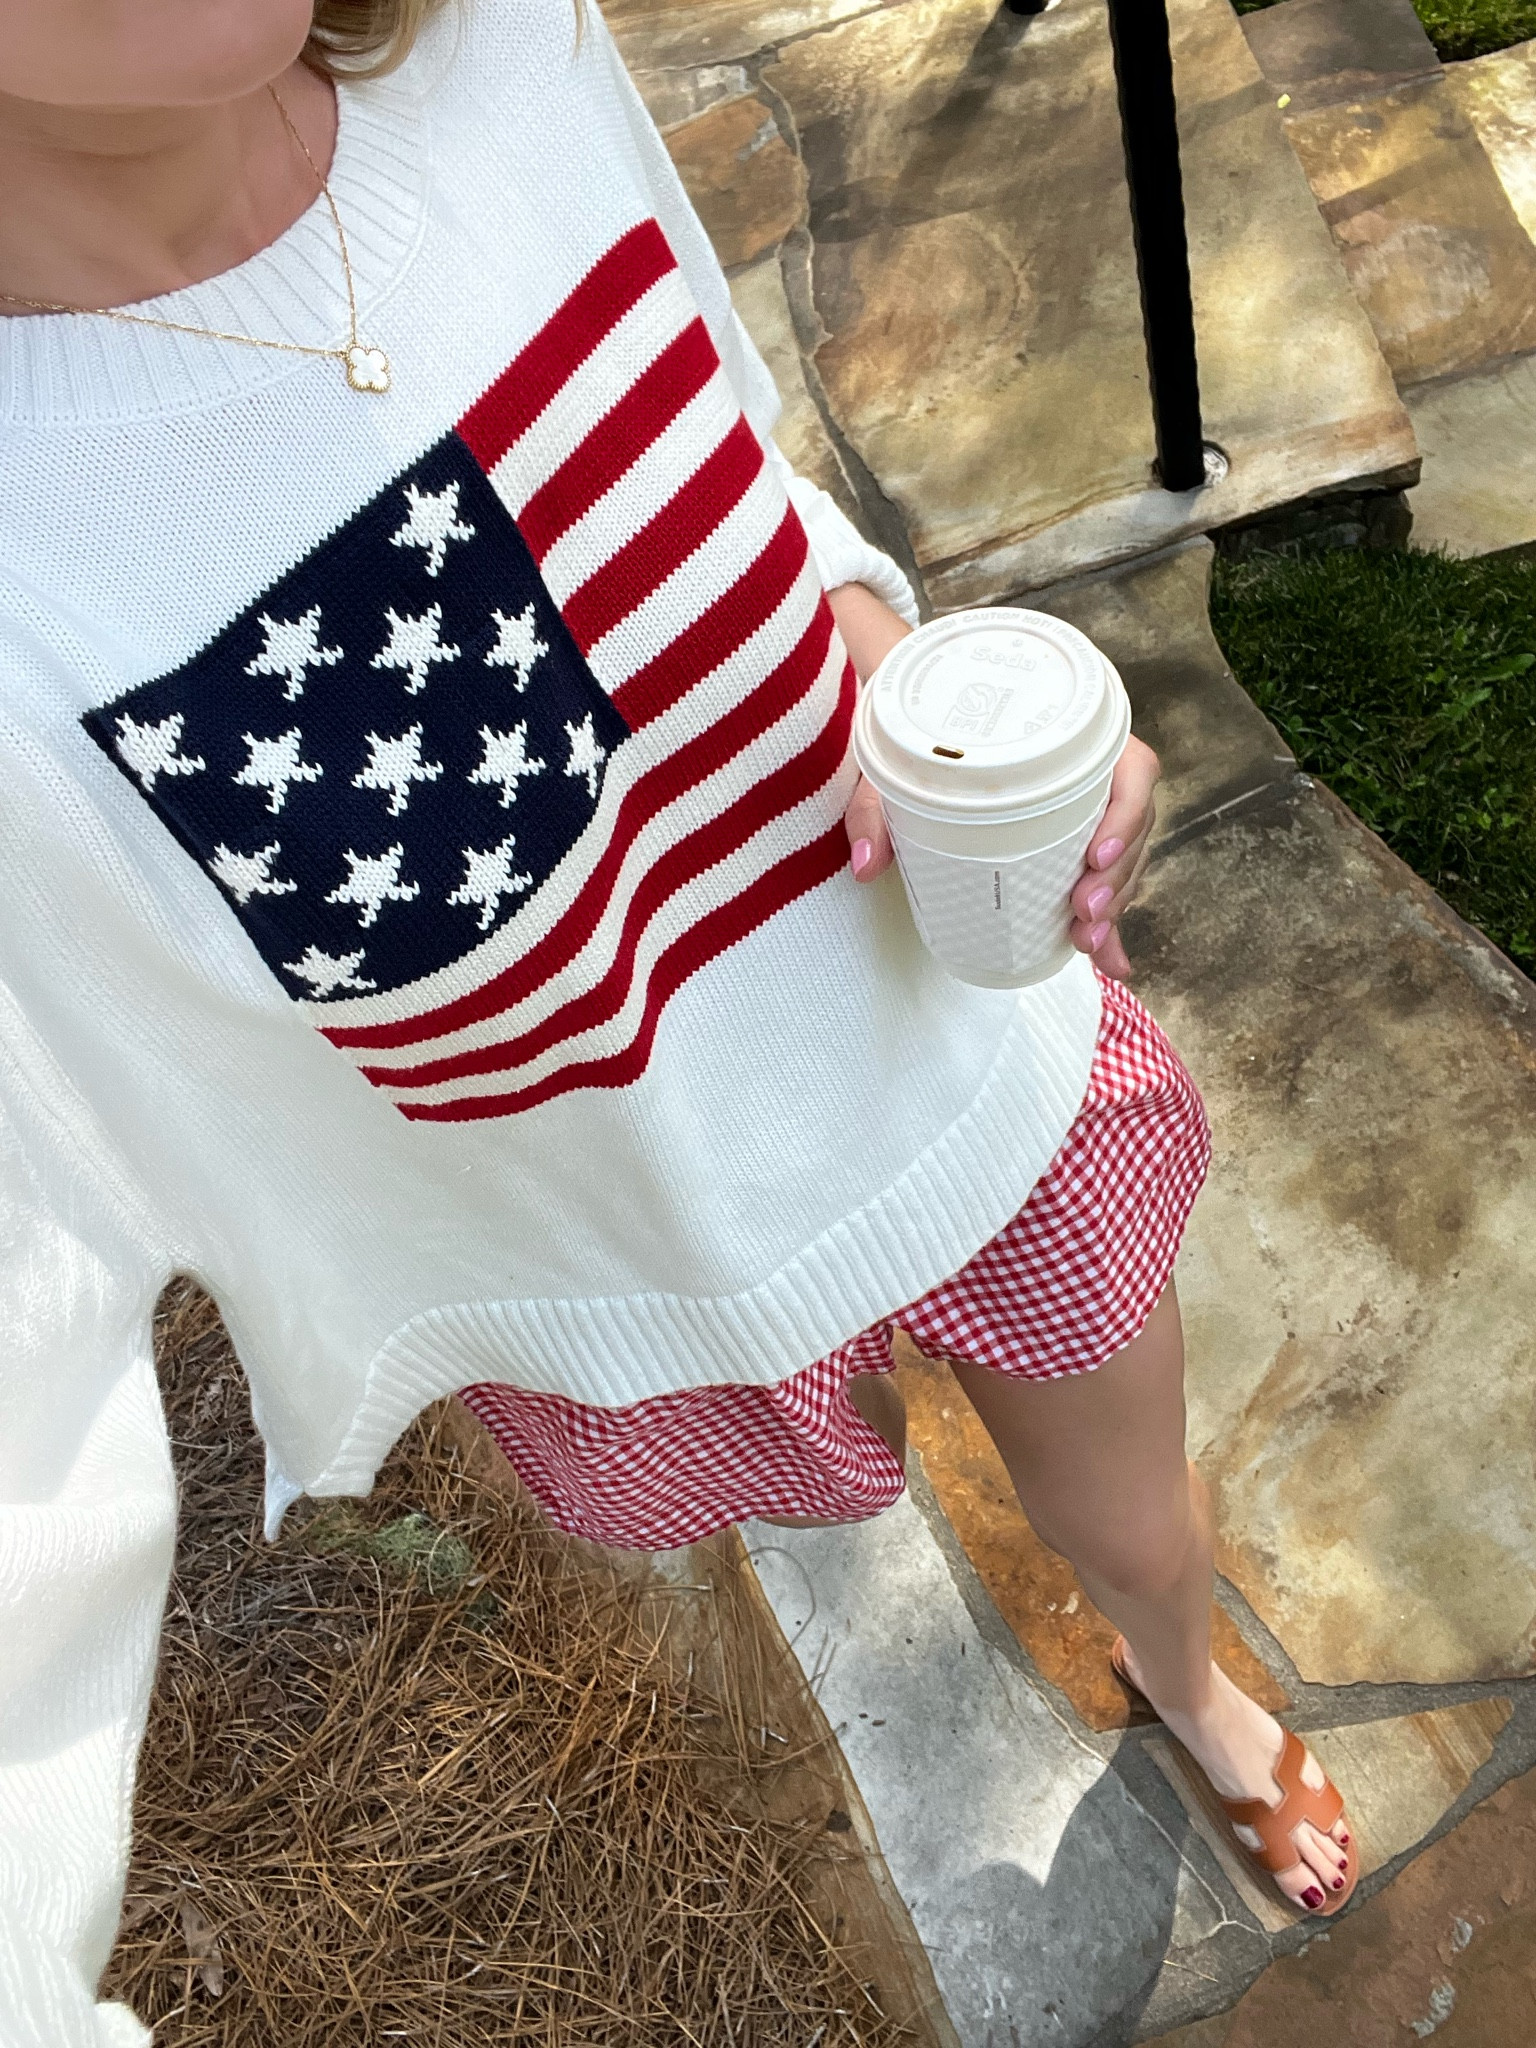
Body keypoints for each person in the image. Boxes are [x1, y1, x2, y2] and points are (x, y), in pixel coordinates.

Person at [0, 0, 1357, 2036]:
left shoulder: (495, 51)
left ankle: (1183, 1669)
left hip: (949, 1056)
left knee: (1133, 1511)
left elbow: (735, 462)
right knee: (851, 1481)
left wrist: (902, 666)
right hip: (619, 1254)